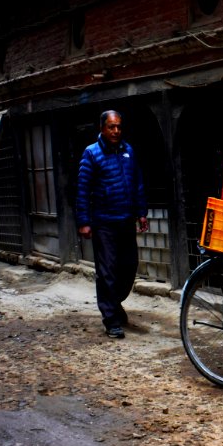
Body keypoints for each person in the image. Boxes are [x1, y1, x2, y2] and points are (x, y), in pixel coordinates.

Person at [77, 110, 149, 339]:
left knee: (129, 267)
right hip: (104, 223)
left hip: (126, 219)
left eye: (119, 126)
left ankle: (114, 303)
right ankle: (111, 319)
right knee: (107, 272)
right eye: (111, 127)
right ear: (102, 128)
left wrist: (141, 212)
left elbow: (137, 182)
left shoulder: (128, 150)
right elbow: (82, 190)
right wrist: (84, 221)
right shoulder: (91, 153)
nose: (116, 131)